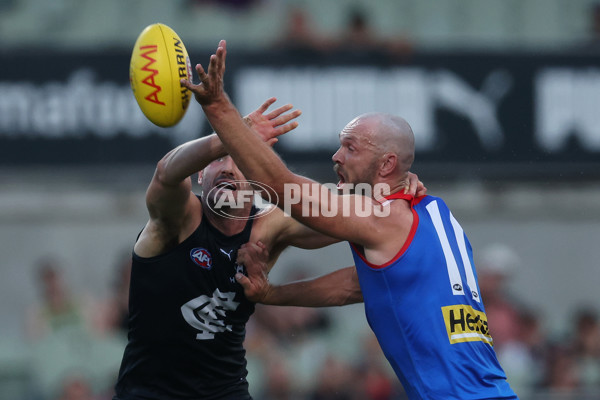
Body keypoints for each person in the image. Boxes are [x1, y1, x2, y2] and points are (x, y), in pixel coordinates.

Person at [181, 40, 519, 399]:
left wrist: (219, 109)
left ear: (387, 164)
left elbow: (284, 188)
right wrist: (272, 294)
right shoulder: (432, 213)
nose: (336, 155)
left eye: (351, 147)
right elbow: (353, 287)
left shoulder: (382, 217)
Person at [112, 95, 422, 399]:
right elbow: (166, 171)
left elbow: (360, 217)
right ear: (199, 173)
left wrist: (397, 189)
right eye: (219, 160)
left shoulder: (270, 226)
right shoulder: (177, 219)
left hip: (226, 391)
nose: (229, 169)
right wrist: (236, 133)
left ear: (259, 178)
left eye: (242, 162)